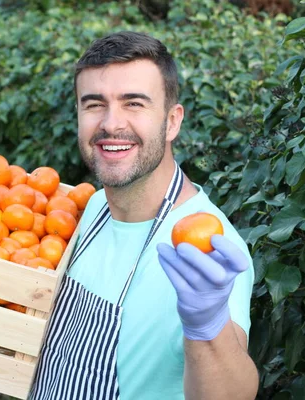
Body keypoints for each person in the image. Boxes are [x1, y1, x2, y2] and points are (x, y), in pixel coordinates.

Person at [29, 31, 258, 400]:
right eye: (93, 104)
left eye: (133, 103)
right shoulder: (93, 207)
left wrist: (209, 327)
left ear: (172, 122)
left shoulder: (207, 248)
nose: (110, 124)